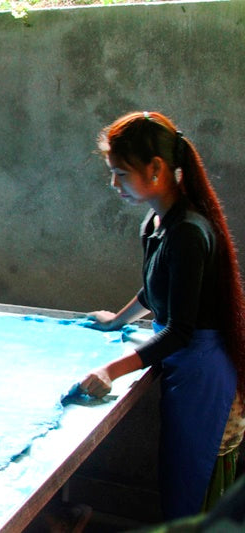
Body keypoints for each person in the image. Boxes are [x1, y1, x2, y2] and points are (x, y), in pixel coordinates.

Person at [80, 111, 245, 520]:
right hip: (185, 368)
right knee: (177, 479)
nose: (113, 184)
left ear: (155, 169)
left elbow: (179, 331)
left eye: (120, 173)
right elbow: (157, 293)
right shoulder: (157, 223)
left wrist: (111, 371)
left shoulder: (188, 230)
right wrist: (117, 321)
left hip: (204, 375)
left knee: (193, 490)